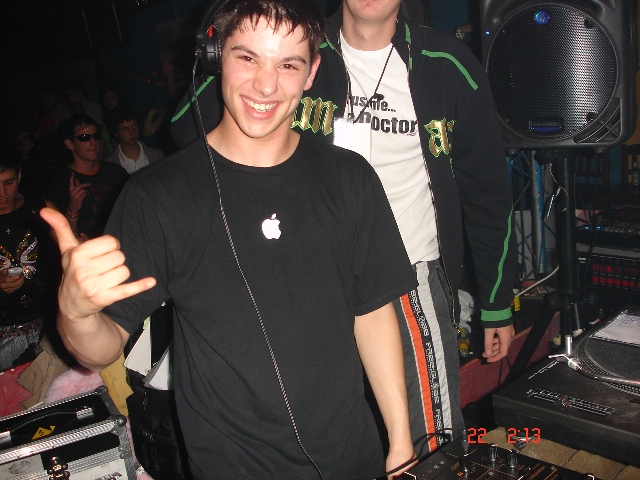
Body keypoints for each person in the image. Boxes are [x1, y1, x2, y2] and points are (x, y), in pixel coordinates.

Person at [41, 0, 418, 478]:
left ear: (311, 72)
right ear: (216, 57)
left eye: (288, 65)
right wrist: (75, 313)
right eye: (248, 58)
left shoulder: (351, 178)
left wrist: (400, 442)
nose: (266, 85)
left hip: (354, 460)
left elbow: (374, 312)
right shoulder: (158, 197)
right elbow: (101, 348)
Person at [171, 0, 518, 454]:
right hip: (304, 279)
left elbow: (487, 193)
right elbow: (185, 129)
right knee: (322, 431)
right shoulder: (295, 52)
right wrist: (229, 51)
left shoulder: (448, 65)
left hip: (407, 280)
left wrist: (497, 302)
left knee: (429, 443)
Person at [0, 154, 58, 370]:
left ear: (19, 176)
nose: (2, 192)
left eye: (9, 182)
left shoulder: (40, 210)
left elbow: (71, 254)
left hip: (47, 327)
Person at [46, 115, 128, 240]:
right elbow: (61, 238)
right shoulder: (60, 184)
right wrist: (73, 210)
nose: (93, 142)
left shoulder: (115, 172)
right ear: (69, 144)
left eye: (96, 136)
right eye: (84, 137)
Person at [104, 107, 164, 174]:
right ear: (116, 133)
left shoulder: (156, 155)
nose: (132, 132)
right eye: (126, 129)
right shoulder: (110, 165)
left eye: (134, 126)